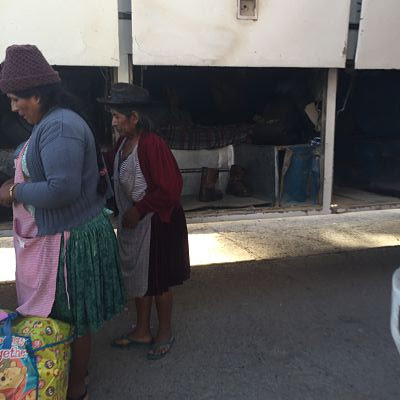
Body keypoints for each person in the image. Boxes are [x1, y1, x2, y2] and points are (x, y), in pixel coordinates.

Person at [0, 45, 125, 400]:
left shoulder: (61, 127)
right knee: (65, 314)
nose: (13, 108)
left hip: (70, 242)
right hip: (60, 234)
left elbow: (62, 190)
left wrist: (15, 193)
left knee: (72, 316)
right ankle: (70, 368)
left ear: (36, 95)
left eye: (15, 99)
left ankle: (76, 385)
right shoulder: (53, 122)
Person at [98, 83, 190, 360]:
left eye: (117, 116)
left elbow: (171, 189)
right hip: (136, 221)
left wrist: (139, 210)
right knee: (140, 277)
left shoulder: (152, 144)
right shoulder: (124, 143)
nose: (113, 122)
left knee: (158, 281)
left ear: (134, 117)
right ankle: (141, 330)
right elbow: (112, 166)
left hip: (158, 222)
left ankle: (164, 331)